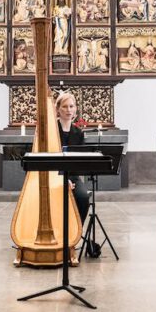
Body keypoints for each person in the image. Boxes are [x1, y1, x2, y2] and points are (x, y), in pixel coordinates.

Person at [55, 92, 90, 223]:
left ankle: (74, 233)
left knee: (83, 197)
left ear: (75, 108)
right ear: (58, 109)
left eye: (71, 106)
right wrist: (61, 180)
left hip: (72, 176)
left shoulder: (78, 132)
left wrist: (68, 179)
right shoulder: (51, 130)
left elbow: (79, 161)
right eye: (64, 106)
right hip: (52, 175)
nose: (68, 110)